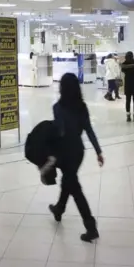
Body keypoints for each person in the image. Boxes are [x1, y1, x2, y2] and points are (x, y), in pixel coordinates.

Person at [48, 73, 104, 243]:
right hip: (78, 151)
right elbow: (88, 129)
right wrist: (98, 151)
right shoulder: (82, 107)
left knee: (75, 188)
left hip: (65, 151)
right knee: (69, 181)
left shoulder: (58, 107)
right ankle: (59, 209)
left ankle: (90, 226)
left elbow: (60, 132)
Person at [121, 51, 134, 122]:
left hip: (128, 84)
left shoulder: (123, 64)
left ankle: (128, 117)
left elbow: (123, 71)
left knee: (127, 101)